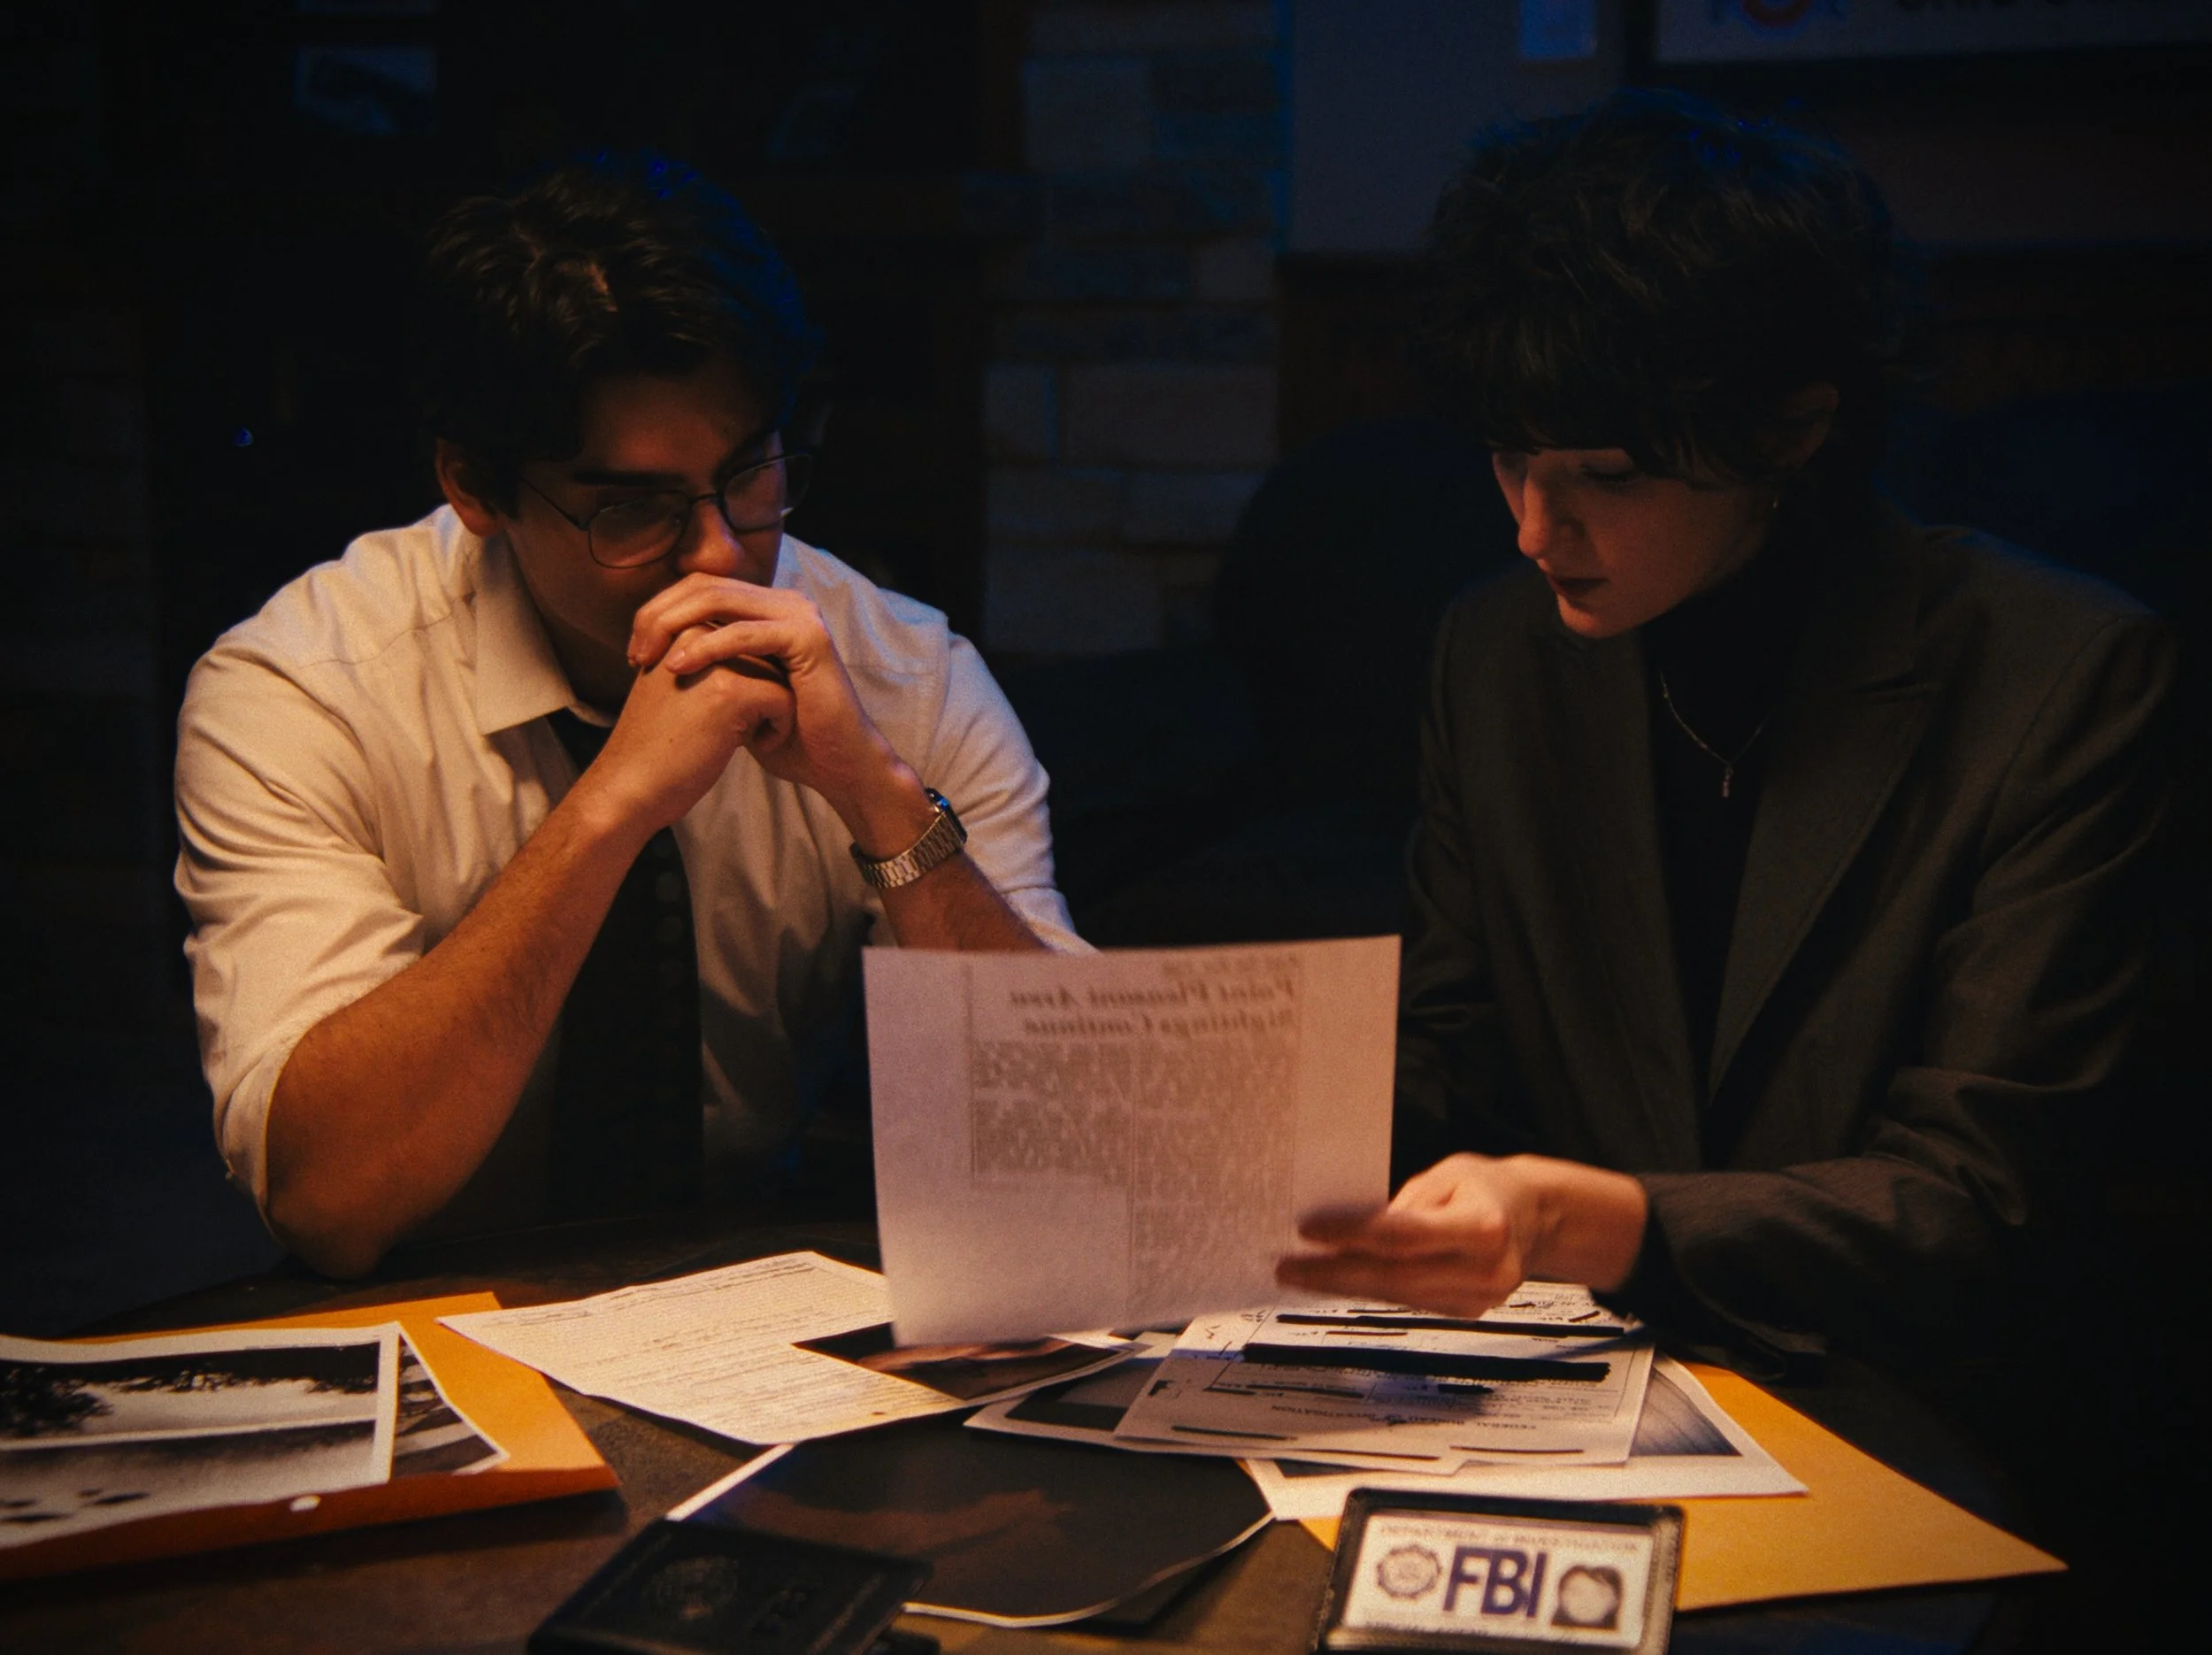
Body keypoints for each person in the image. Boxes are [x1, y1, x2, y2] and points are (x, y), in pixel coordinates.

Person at [1278, 92, 2175, 1383]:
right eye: (1509, 459)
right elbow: (1454, 1051)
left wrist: (1605, 1222)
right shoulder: (1497, 650)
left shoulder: (2057, 672)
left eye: (1607, 473)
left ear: (1789, 434)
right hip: (1575, 1372)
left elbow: (1980, 1197)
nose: (1536, 528)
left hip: (1908, 1384)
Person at [174, 154, 1077, 1279]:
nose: (717, 553)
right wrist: (608, 811)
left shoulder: (901, 672)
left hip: (745, 1298)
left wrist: (883, 801)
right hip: (419, 1308)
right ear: (472, 486)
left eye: (750, 476)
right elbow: (327, 1202)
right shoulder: (304, 689)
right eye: (630, 509)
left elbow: (1074, 1146)